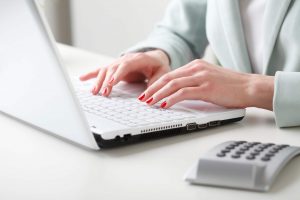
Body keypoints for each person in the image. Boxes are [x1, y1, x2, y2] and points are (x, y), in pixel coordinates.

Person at [80, 0, 300, 128]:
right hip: (243, 135)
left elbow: (248, 87)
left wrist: (251, 88)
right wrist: (159, 54)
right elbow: (181, 30)